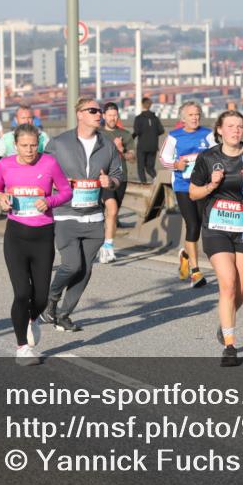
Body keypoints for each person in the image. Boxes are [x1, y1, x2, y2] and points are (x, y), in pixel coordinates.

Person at [189, 110, 243, 366]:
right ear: (219, 130)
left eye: (239, 126)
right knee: (227, 284)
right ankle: (230, 345)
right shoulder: (208, 158)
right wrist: (211, 186)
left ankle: (225, 321)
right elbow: (193, 193)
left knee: (240, 291)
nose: (235, 130)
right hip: (216, 226)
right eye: (230, 126)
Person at [0, 124, 73, 365]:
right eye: (24, 145)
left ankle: (32, 319)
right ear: (15, 145)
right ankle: (22, 348)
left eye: (34, 145)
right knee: (22, 294)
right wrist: (0, 197)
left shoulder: (49, 163)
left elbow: (66, 191)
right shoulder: (5, 165)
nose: (29, 150)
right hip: (15, 236)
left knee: (40, 298)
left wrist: (50, 201)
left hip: (43, 236)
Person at [42, 98, 123, 332]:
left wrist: (110, 181)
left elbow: (118, 174)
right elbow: (43, 172)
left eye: (100, 111)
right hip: (66, 214)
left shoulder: (107, 145)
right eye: (93, 110)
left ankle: (64, 314)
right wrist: (57, 183)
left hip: (94, 218)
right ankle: (51, 300)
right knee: (72, 265)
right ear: (79, 114)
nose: (99, 114)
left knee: (85, 270)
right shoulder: (59, 143)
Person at [160, 101, 215, 288]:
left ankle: (185, 254)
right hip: (183, 186)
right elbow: (163, 158)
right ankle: (195, 271)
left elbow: (218, 154)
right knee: (192, 224)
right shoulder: (174, 136)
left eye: (197, 114)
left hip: (202, 186)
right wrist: (176, 165)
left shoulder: (207, 134)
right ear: (183, 118)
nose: (195, 118)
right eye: (191, 115)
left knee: (201, 224)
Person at [99, 102, 136, 263]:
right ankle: (107, 246)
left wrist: (121, 150)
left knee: (112, 214)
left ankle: (106, 245)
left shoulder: (125, 135)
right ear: (103, 116)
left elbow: (132, 158)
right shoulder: (98, 134)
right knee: (111, 210)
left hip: (120, 178)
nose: (112, 118)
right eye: (109, 115)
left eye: (115, 115)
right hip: (102, 178)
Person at [132, 97, 164, 184]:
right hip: (153, 146)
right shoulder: (155, 118)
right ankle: (157, 179)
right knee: (150, 167)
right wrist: (152, 134)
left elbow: (137, 131)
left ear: (142, 105)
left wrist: (131, 137)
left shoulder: (139, 118)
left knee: (141, 167)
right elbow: (161, 131)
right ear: (150, 105)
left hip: (142, 146)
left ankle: (144, 184)